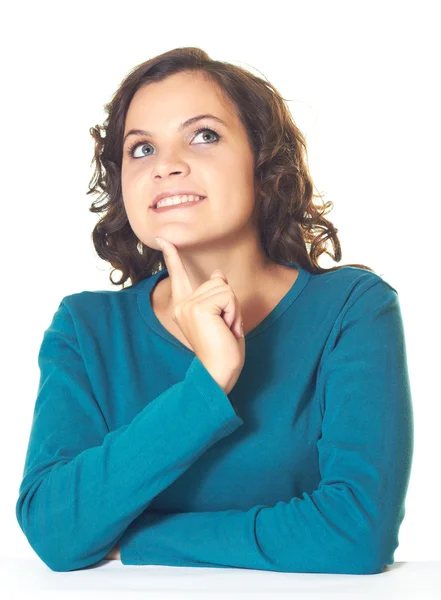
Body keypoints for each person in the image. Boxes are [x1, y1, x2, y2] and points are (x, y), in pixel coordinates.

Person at [15, 47, 414, 573]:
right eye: (141, 149)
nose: (167, 165)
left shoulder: (352, 311)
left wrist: (135, 539)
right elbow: (54, 532)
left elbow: (356, 532)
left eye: (203, 136)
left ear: (263, 162)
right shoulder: (85, 329)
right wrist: (207, 382)